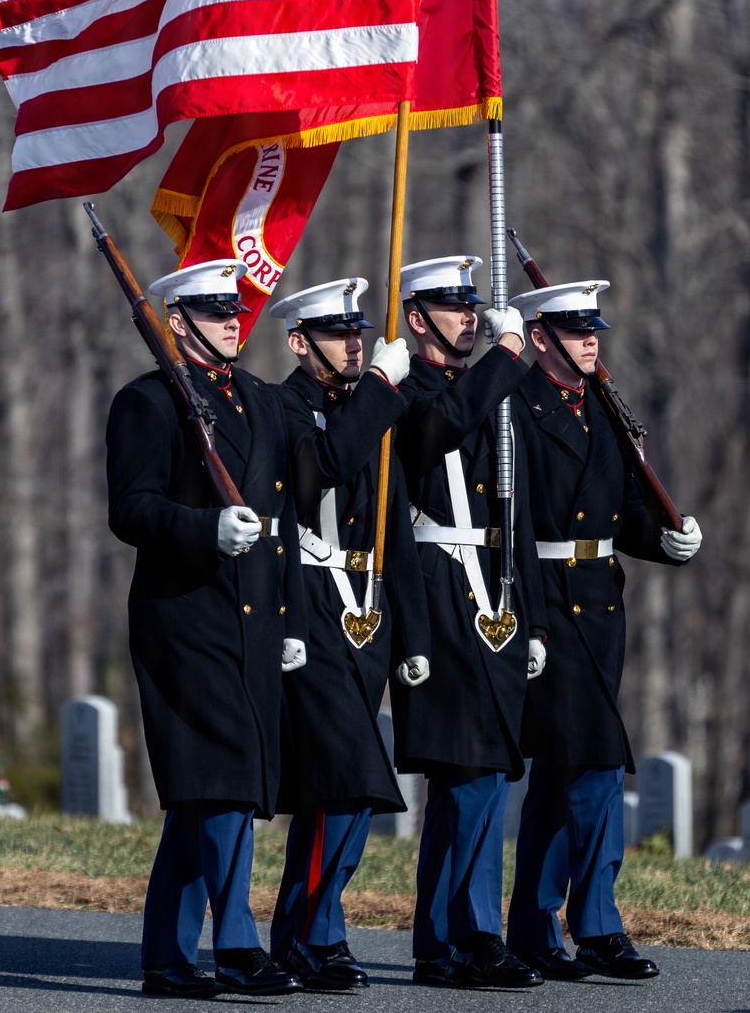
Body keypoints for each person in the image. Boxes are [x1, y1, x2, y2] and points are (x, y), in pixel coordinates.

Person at [106, 259, 306, 999]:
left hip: (253, 616)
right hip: (185, 617)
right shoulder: (149, 403)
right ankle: (238, 943)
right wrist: (204, 527)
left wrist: (286, 610)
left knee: (209, 789)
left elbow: (281, 513)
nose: (234, 321)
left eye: (238, 309)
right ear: (178, 322)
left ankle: (165, 956)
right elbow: (130, 509)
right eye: (218, 312)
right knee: (221, 782)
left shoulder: (256, 398)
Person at [505, 279, 702, 982]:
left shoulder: (601, 408)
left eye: (594, 329)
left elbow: (623, 510)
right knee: (594, 763)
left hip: (601, 603)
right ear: (539, 338)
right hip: (548, 607)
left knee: (562, 773)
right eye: (575, 329)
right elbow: (512, 523)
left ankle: (532, 928)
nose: (592, 339)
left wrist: (665, 539)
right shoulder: (515, 408)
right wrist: (524, 619)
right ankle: (595, 925)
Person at [267, 277, 431, 990]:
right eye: (338, 333)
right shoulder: (282, 409)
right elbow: (321, 468)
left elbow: (395, 534)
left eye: (359, 332)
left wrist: (415, 638)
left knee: (337, 787)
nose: (355, 343)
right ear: (300, 343)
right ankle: (315, 934)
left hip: (367, 615)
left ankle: (304, 933)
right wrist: (385, 389)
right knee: (351, 782)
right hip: (309, 608)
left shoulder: (371, 411)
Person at [391, 256, 548, 991]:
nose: (471, 319)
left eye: (473, 307)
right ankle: (461, 933)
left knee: (485, 769)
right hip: (440, 590)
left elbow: (514, 513)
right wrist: (510, 354)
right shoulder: (411, 392)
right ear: (418, 319)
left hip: (495, 592)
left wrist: (536, 619)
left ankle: (459, 934)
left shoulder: (494, 393)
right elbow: (443, 430)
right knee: (465, 768)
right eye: (454, 309)